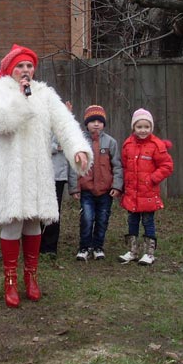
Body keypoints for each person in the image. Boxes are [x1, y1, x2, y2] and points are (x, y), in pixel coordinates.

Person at [0, 44, 91, 308]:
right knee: (13, 223)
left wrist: (77, 149)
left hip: (37, 170)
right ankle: (10, 280)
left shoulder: (44, 94)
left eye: (29, 66)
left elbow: (65, 123)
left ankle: (31, 276)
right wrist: (20, 99)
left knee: (33, 222)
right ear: (10, 69)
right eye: (20, 65)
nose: (25, 70)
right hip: (9, 171)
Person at [118, 108, 174, 266]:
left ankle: (149, 253)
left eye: (146, 127)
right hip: (131, 193)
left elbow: (167, 166)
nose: (143, 130)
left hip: (148, 193)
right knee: (132, 221)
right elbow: (124, 166)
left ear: (151, 128)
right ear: (133, 128)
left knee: (148, 222)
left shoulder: (156, 145)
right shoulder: (128, 144)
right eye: (139, 127)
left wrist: (152, 179)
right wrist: (124, 185)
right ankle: (133, 251)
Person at [70, 105, 123, 261]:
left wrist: (116, 186)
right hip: (86, 190)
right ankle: (84, 247)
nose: (96, 124)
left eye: (99, 121)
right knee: (86, 218)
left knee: (102, 219)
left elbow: (117, 166)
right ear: (86, 123)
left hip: (105, 191)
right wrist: (74, 188)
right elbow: (73, 166)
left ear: (103, 124)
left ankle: (98, 246)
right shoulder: (79, 142)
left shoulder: (111, 142)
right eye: (92, 121)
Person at [40, 101, 73, 258]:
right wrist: (55, 147)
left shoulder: (64, 125)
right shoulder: (40, 124)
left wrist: (66, 118)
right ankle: (36, 244)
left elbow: (68, 141)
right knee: (39, 210)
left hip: (58, 175)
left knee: (54, 211)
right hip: (41, 173)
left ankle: (50, 247)